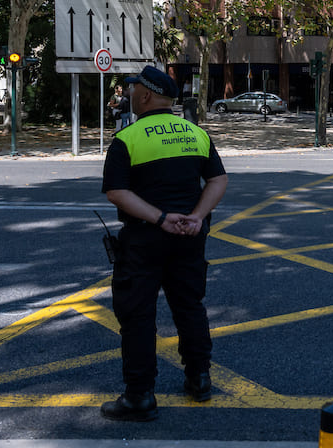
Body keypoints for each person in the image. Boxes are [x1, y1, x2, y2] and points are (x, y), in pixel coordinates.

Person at [100, 65, 228, 422]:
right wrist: (198, 217)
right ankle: (199, 380)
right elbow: (218, 180)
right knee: (190, 307)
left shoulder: (129, 138)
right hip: (190, 236)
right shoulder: (196, 133)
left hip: (145, 239)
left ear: (145, 96)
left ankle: (139, 396)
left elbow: (116, 192)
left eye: (133, 90)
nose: (128, 95)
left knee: (138, 315)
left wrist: (159, 218)